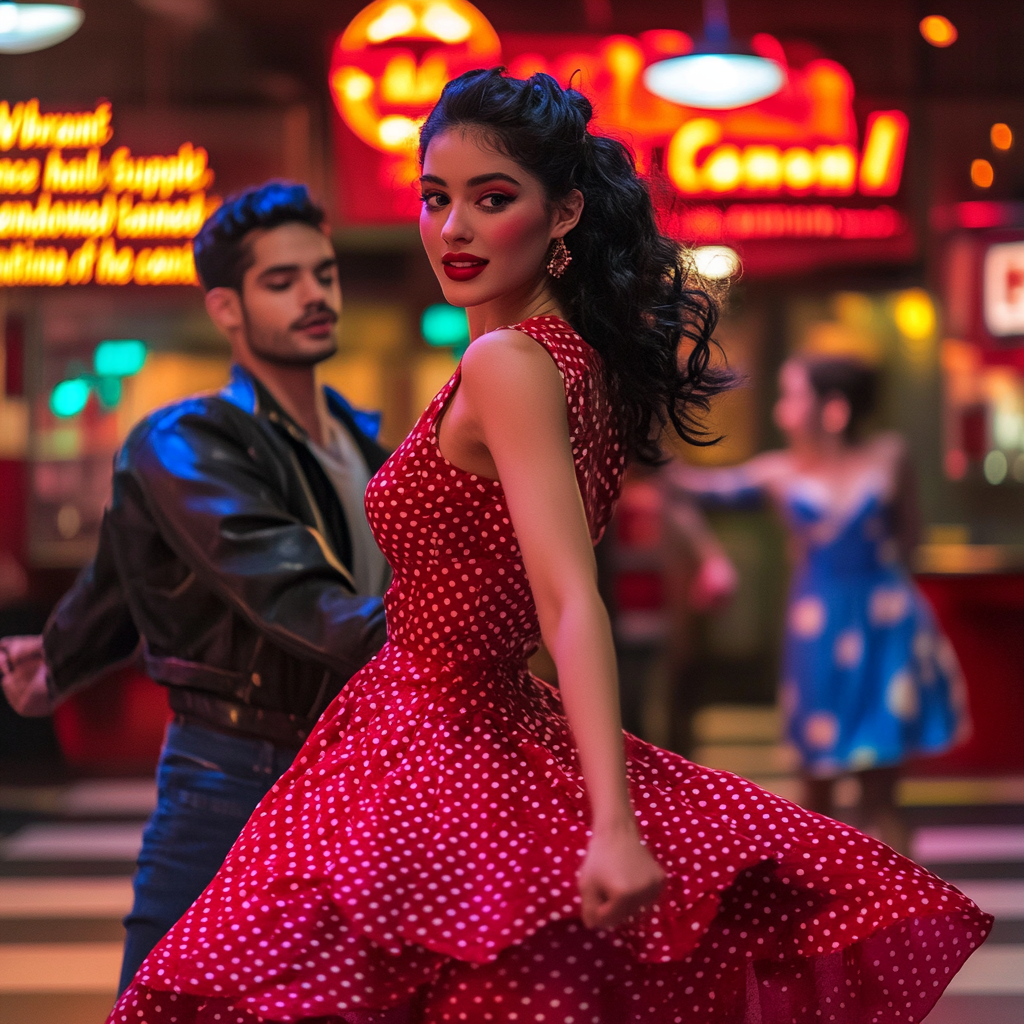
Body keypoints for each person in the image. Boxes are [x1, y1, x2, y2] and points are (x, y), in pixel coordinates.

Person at [109, 72, 988, 1024]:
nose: (453, 230)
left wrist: (613, 824)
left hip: (440, 736)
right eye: (435, 199)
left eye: (492, 200)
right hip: (453, 733)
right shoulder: (569, 359)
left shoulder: (509, 363)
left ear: (563, 212)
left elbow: (570, 599)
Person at [0, 182, 390, 992]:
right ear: (226, 309)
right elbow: (288, 593)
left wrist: (60, 658)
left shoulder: (360, 437)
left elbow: (119, 581)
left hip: (352, 761)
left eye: (323, 273)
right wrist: (454, 639)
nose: (315, 295)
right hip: (236, 766)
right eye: (281, 282)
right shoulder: (187, 440)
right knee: (168, 998)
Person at [664, 355, 968, 852]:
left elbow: (910, 537)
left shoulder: (889, 455)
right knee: (816, 790)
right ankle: (829, 915)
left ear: (834, 409)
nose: (783, 411)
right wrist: (710, 557)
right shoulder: (776, 472)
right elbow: (681, 491)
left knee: (882, 792)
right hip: (818, 630)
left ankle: (900, 914)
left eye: (793, 396)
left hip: (887, 627)